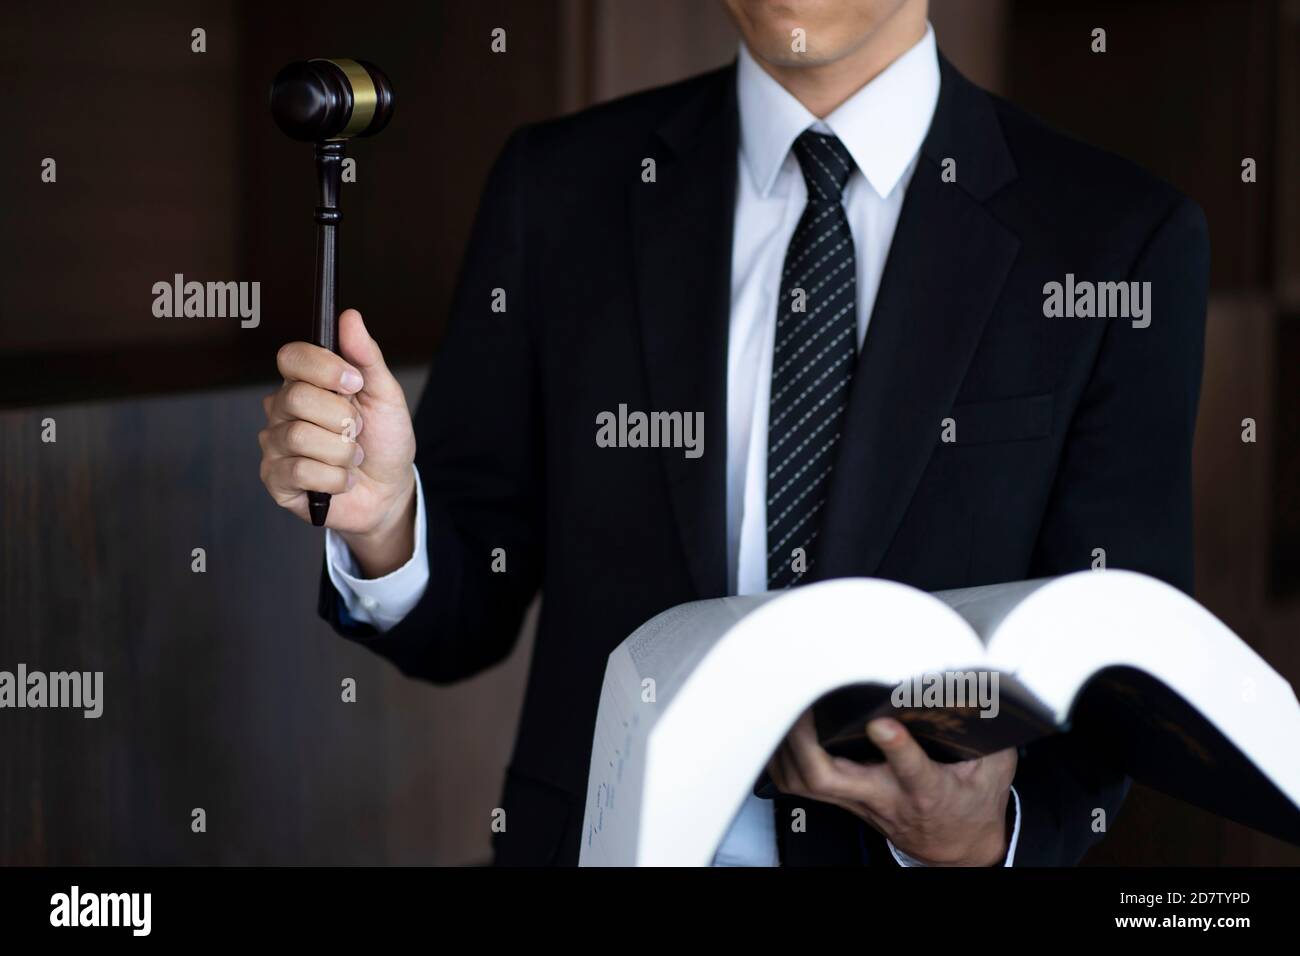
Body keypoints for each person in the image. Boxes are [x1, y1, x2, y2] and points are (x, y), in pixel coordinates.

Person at [257, 0, 1208, 866]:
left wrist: (987, 838)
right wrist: (386, 525)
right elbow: (465, 614)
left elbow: (1123, 669)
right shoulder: (559, 189)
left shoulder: (1117, 241)